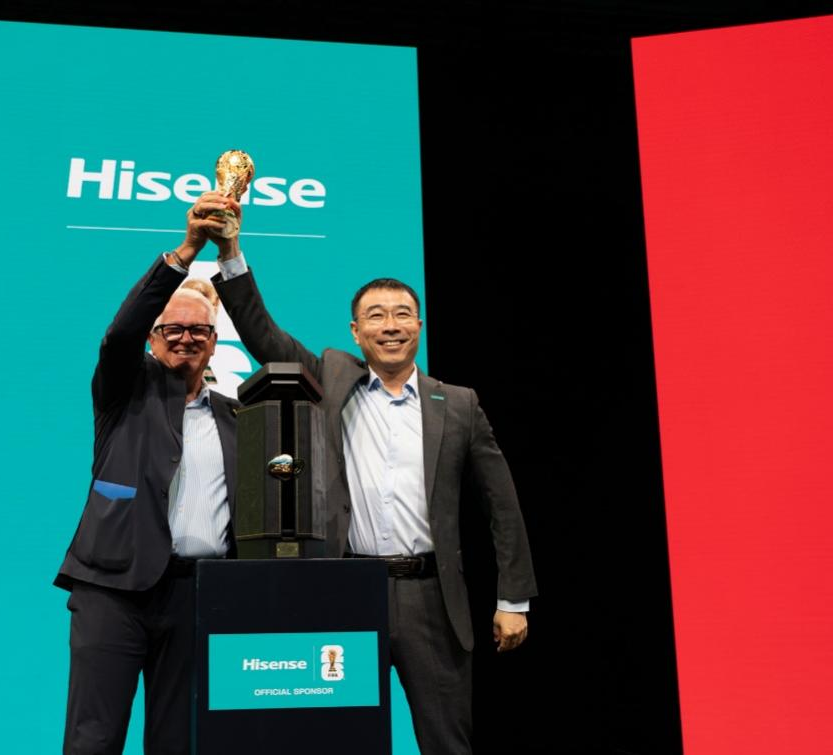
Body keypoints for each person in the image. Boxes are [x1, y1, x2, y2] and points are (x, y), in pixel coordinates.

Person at [193, 191, 537, 754]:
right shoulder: (333, 378)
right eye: (376, 316)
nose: (390, 326)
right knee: (340, 737)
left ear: (419, 325)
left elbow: (502, 505)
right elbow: (263, 335)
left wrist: (513, 600)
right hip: (346, 590)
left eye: (402, 314)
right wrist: (230, 252)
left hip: (432, 599)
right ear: (356, 332)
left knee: (447, 743)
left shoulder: (459, 403)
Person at [53, 215, 241, 755]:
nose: (186, 338)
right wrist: (186, 252)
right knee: (93, 739)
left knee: (179, 742)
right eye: (172, 329)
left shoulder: (238, 417)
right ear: (153, 339)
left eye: (199, 330)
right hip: (112, 590)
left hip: (196, 596)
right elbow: (120, 333)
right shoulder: (124, 390)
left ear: (214, 343)